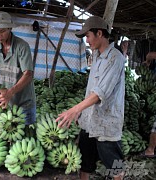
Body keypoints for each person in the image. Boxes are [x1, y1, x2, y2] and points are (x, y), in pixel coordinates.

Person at [56, 16, 126, 180]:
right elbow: (91, 90)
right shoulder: (96, 56)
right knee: (85, 162)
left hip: (107, 122)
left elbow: (100, 93)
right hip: (90, 120)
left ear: (99, 33)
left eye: (88, 36)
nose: (86, 41)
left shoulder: (115, 58)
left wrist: (74, 109)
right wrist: (81, 113)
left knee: (114, 166)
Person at [0, 11, 36, 125]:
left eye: (2, 31)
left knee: (25, 140)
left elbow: (28, 74)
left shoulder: (22, 46)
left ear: (9, 28)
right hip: (4, 103)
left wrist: (10, 92)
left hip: (24, 104)